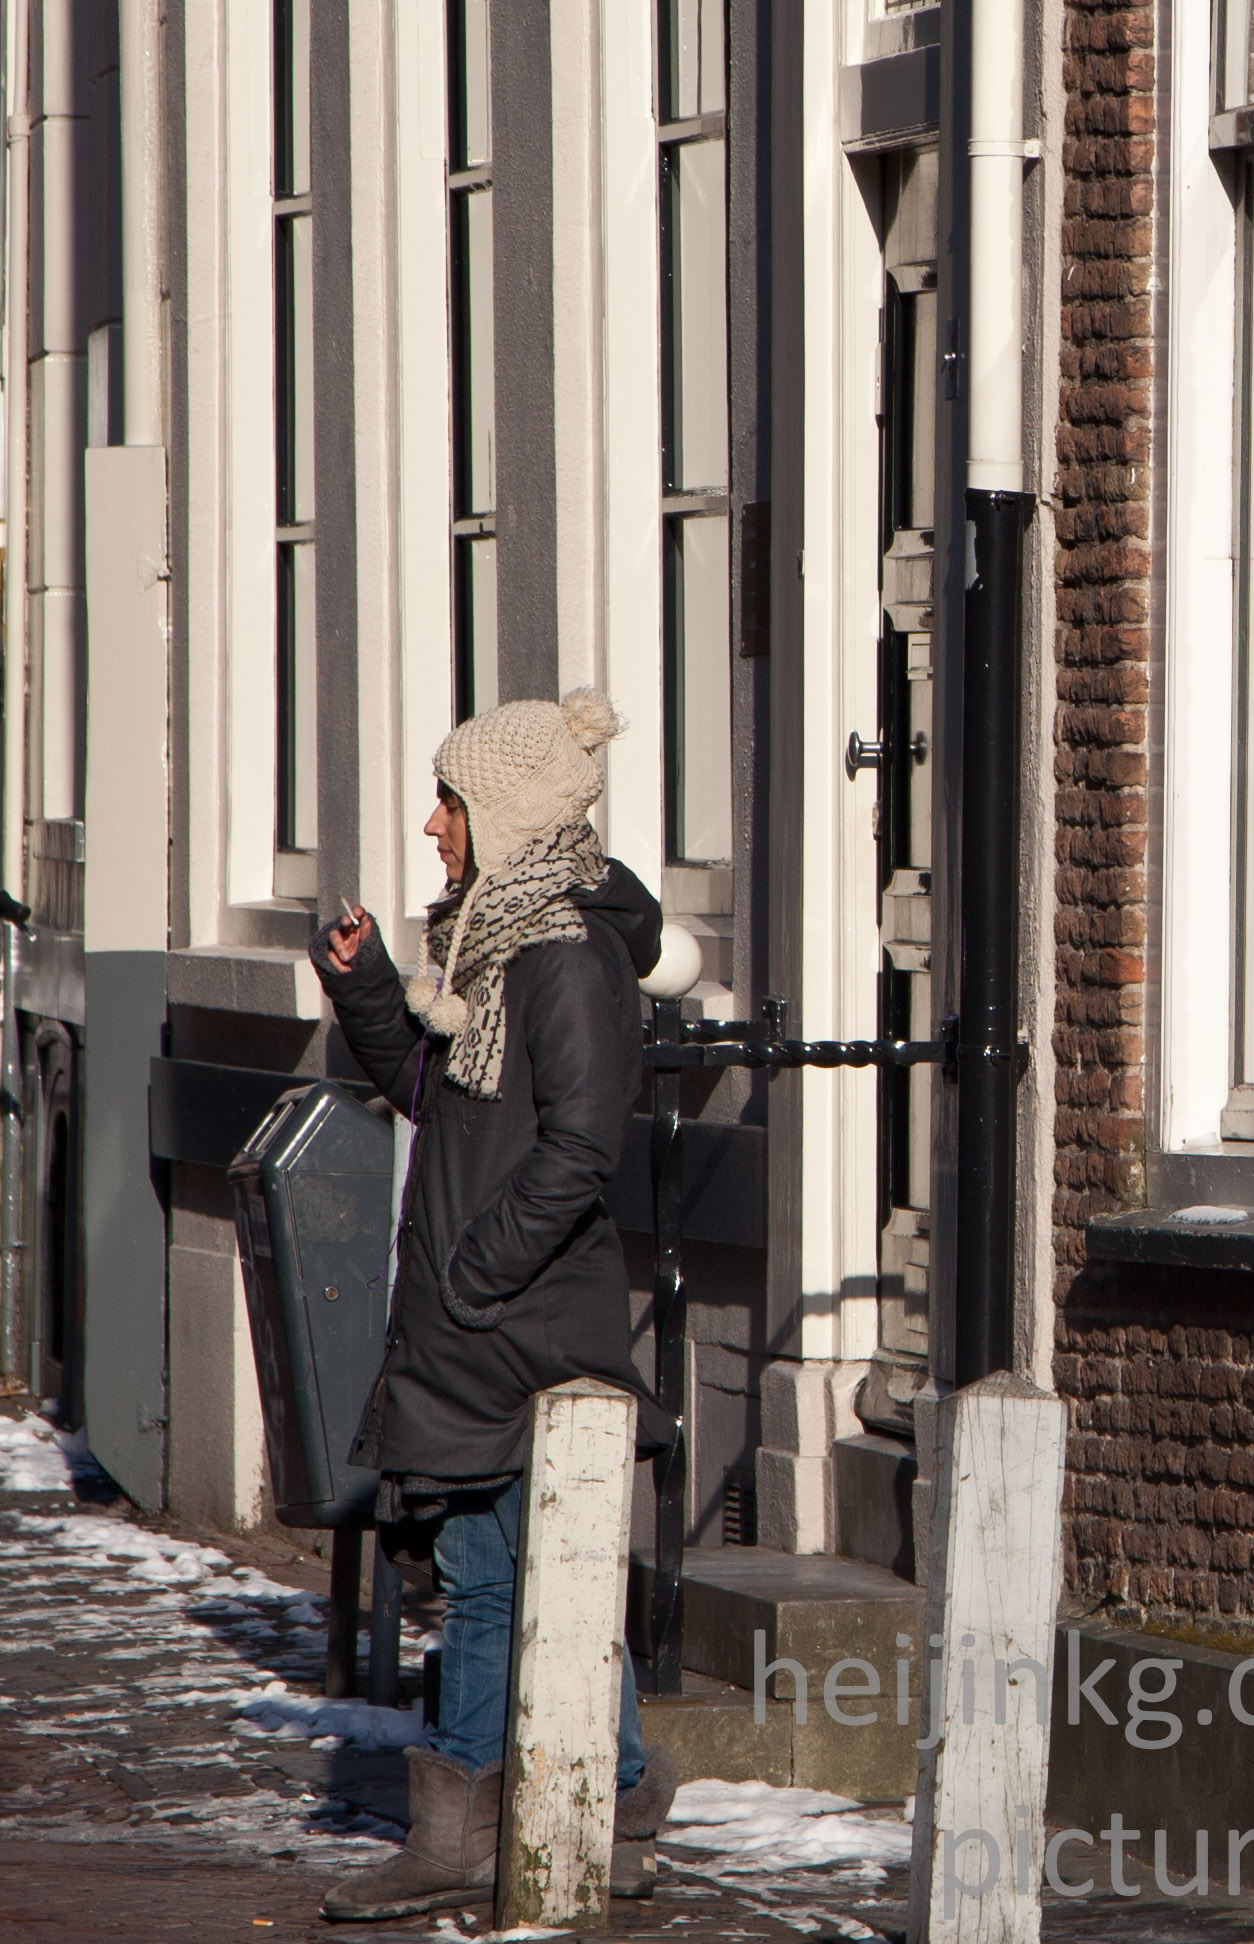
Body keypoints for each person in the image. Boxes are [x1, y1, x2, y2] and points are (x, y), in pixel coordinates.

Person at [311, 690, 677, 1925]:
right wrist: (367, 990)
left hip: (519, 1322)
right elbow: (443, 1096)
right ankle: (609, 1801)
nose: (433, 826)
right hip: (490, 1318)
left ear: (507, 812)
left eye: (451, 802)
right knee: (530, 1574)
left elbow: (579, 1148)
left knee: (490, 1574)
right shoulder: (495, 945)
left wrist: (472, 1277)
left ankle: (468, 1831)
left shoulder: (561, 955)